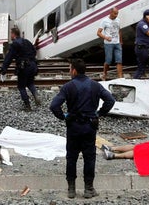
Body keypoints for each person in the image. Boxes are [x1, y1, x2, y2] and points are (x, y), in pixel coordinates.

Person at [49, 59, 115, 199]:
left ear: (74, 70)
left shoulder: (68, 87)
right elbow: (110, 100)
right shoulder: (96, 86)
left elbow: (54, 106)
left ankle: (71, 190)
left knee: (71, 157)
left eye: (69, 69)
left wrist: (64, 117)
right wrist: (99, 113)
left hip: (73, 127)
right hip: (90, 126)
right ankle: (88, 189)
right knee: (89, 157)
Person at [1, 27, 40, 111]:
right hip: (33, 65)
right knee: (30, 83)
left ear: (13, 34)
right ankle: (36, 94)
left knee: (21, 86)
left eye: (11, 34)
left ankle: (27, 106)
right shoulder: (27, 41)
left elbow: (9, 57)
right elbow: (34, 51)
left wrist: (3, 70)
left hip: (24, 67)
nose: (10, 35)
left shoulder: (15, 44)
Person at [97, 7, 123, 80]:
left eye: (117, 13)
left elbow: (119, 30)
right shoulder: (104, 21)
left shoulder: (118, 20)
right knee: (108, 61)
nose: (116, 15)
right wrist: (105, 37)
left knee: (119, 60)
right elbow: (98, 33)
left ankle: (120, 77)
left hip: (117, 43)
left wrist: (121, 41)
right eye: (115, 13)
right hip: (108, 44)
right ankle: (104, 74)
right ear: (110, 12)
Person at [133, 9, 149, 79]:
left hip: (142, 48)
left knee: (141, 68)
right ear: (147, 16)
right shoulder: (142, 24)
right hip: (142, 48)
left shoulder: (145, 24)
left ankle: (135, 82)